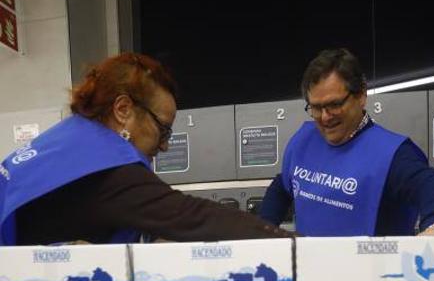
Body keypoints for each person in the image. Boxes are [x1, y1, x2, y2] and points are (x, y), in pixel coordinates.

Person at [0, 52, 292, 246]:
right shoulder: (108, 171)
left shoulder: (64, 144)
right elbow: (193, 217)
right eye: (162, 128)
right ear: (123, 109)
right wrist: (297, 245)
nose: (164, 145)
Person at [260, 48, 434, 236]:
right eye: (316, 107)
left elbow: (431, 185)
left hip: (372, 271)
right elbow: (283, 185)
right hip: (311, 269)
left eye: (334, 104)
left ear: (361, 95)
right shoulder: (304, 141)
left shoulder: (390, 154)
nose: (325, 117)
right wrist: (262, 231)